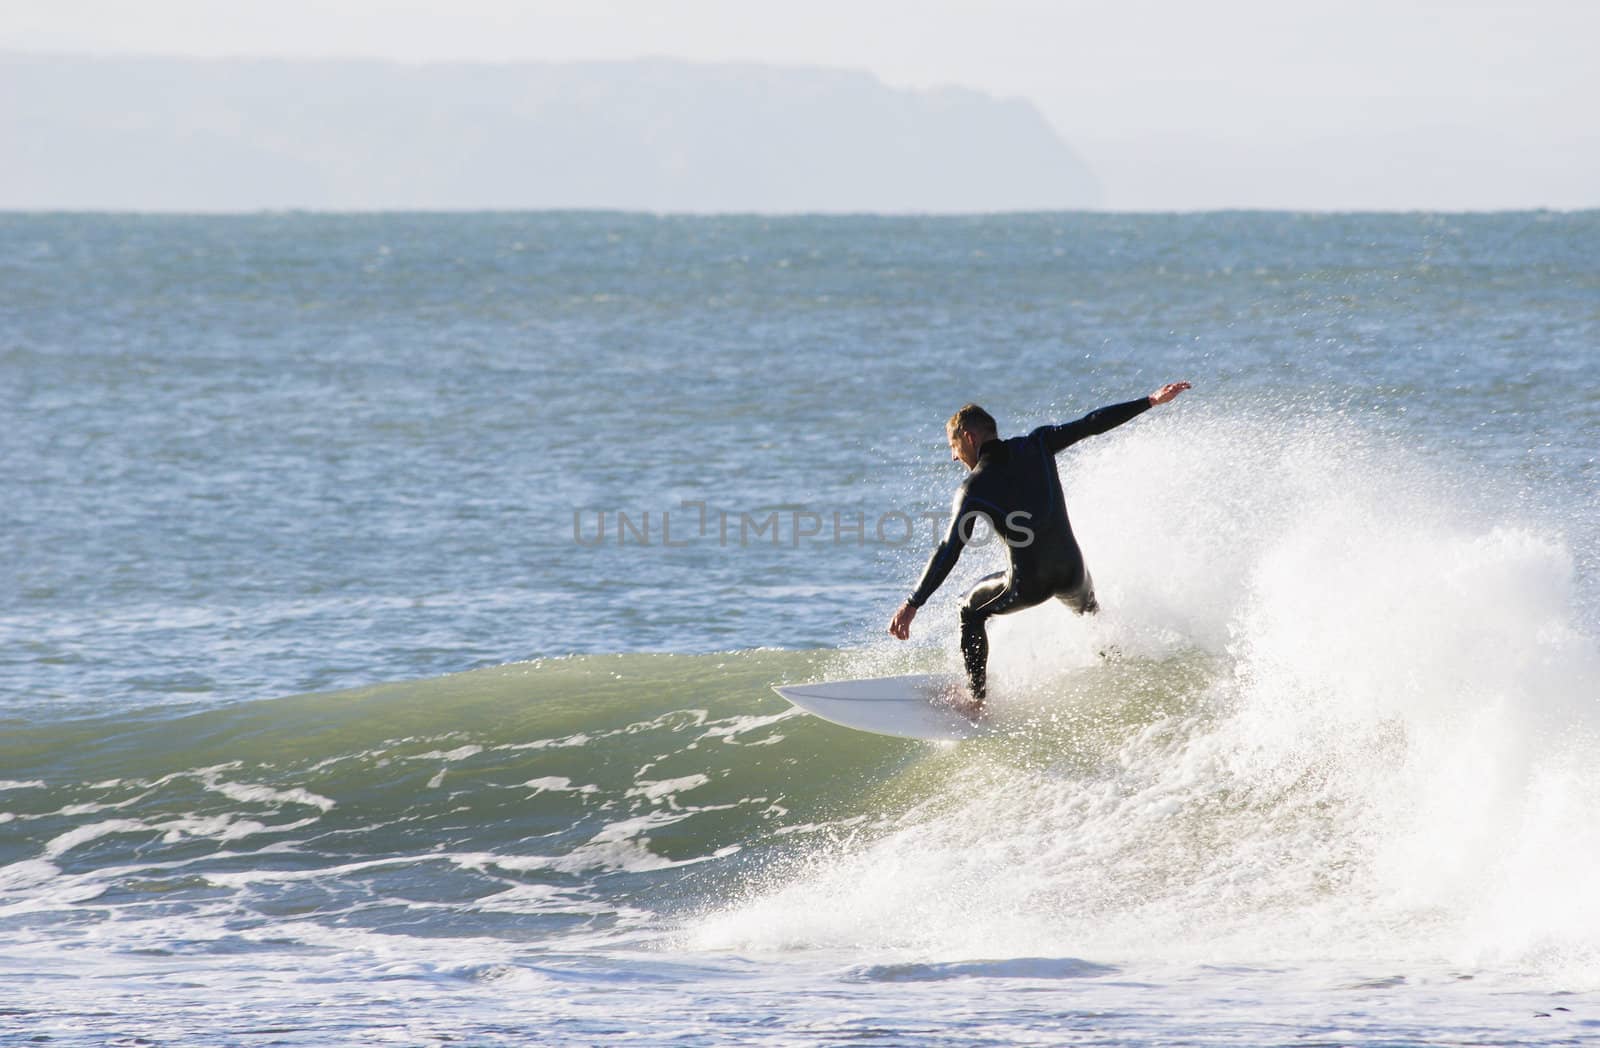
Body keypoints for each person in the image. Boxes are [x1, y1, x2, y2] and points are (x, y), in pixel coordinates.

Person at [887, 382, 1191, 716]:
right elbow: (1091, 423)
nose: (953, 455)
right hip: (1073, 572)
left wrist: (913, 603)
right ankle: (1124, 668)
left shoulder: (973, 488)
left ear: (970, 438)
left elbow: (949, 549)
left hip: (1028, 584)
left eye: (953, 446)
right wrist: (1149, 401)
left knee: (970, 611)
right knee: (1091, 615)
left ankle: (976, 701)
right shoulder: (1039, 443)